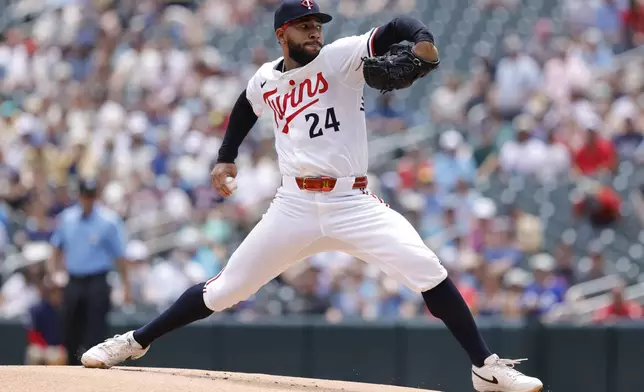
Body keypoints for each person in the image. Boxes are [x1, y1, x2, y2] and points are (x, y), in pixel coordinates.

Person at [81, 2, 543, 392]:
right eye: (305, 26)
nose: (315, 32)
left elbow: (398, 27)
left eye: (318, 25)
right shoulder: (266, 78)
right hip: (294, 206)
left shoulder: (342, 56)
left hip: (352, 201)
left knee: (428, 270)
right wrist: (226, 157)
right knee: (225, 290)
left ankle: (485, 368)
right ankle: (134, 341)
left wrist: (421, 37)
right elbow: (245, 105)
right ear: (283, 33)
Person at [47, 178, 131, 365]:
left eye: (91, 196)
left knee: (95, 330)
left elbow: (120, 256)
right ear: (79, 195)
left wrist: (126, 287)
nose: (88, 200)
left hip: (97, 281)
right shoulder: (67, 218)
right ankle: (72, 370)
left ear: (96, 196)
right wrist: (53, 276)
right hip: (74, 280)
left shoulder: (108, 221)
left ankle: (94, 375)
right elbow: (55, 248)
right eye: (86, 195)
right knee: (69, 329)